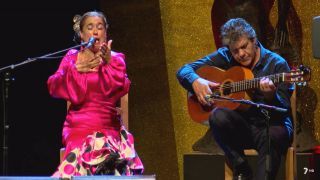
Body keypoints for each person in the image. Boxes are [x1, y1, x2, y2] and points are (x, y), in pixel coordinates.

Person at [176, 18, 293, 180]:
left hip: (270, 125)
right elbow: (183, 70)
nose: (241, 54)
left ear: (254, 40)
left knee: (271, 136)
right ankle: (241, 168)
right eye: (235, 51)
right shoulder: (226, 57)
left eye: (244, 47)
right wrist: (196, 81)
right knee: (217, 116)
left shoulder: (277, 64)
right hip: (242, 127)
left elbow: (284, 108)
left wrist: (270, 96)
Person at [48, 11, 144, 178]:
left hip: (108, 127)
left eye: (100, 28)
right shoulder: (72, 58)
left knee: (107, 152)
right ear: (82, 34)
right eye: (90, 27)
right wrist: (75, 69)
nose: (95, 32)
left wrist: (108, 63)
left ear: (106, 33)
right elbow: (53, 86)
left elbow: (120, 88)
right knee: (86, 148)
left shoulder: (116, 59)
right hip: (78, 127)